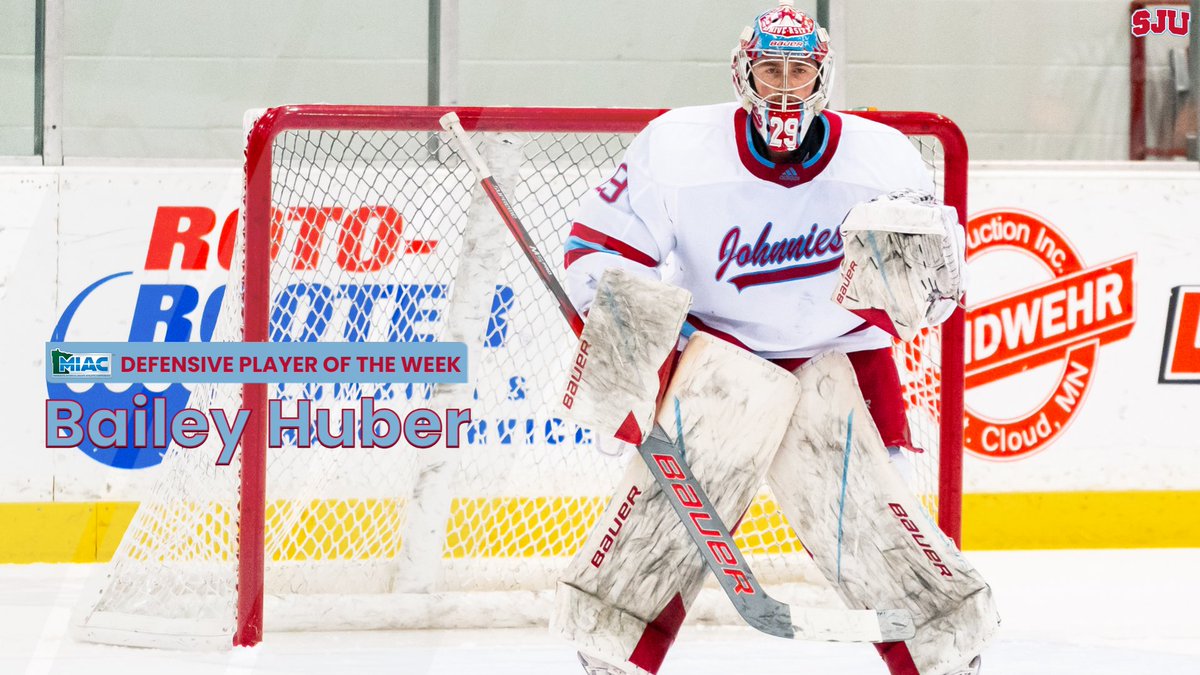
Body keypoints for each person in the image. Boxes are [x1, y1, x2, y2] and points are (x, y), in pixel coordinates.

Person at [557, 2, 985, 674]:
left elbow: (939, 284)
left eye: (800, 70)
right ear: (743, 71)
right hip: (718, 364)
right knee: (657, 526)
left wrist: (908, 288)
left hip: (843, 361)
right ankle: (613, 654)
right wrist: (640, 350)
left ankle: (945, 658)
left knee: (882, 537)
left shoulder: (882, 156)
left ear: (823, 76)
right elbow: (598, 248)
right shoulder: (676, 145)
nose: (785, 86)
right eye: (770, 69)